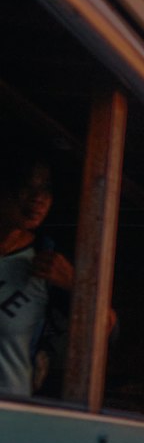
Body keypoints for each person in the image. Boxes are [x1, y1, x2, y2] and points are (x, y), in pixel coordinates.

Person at [0, 139, 74, 399]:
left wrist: (76, 286)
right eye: (26, 186)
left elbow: (108, 328)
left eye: (46, 189)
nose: (37, 198)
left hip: (12, 420)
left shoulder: (48, 262)